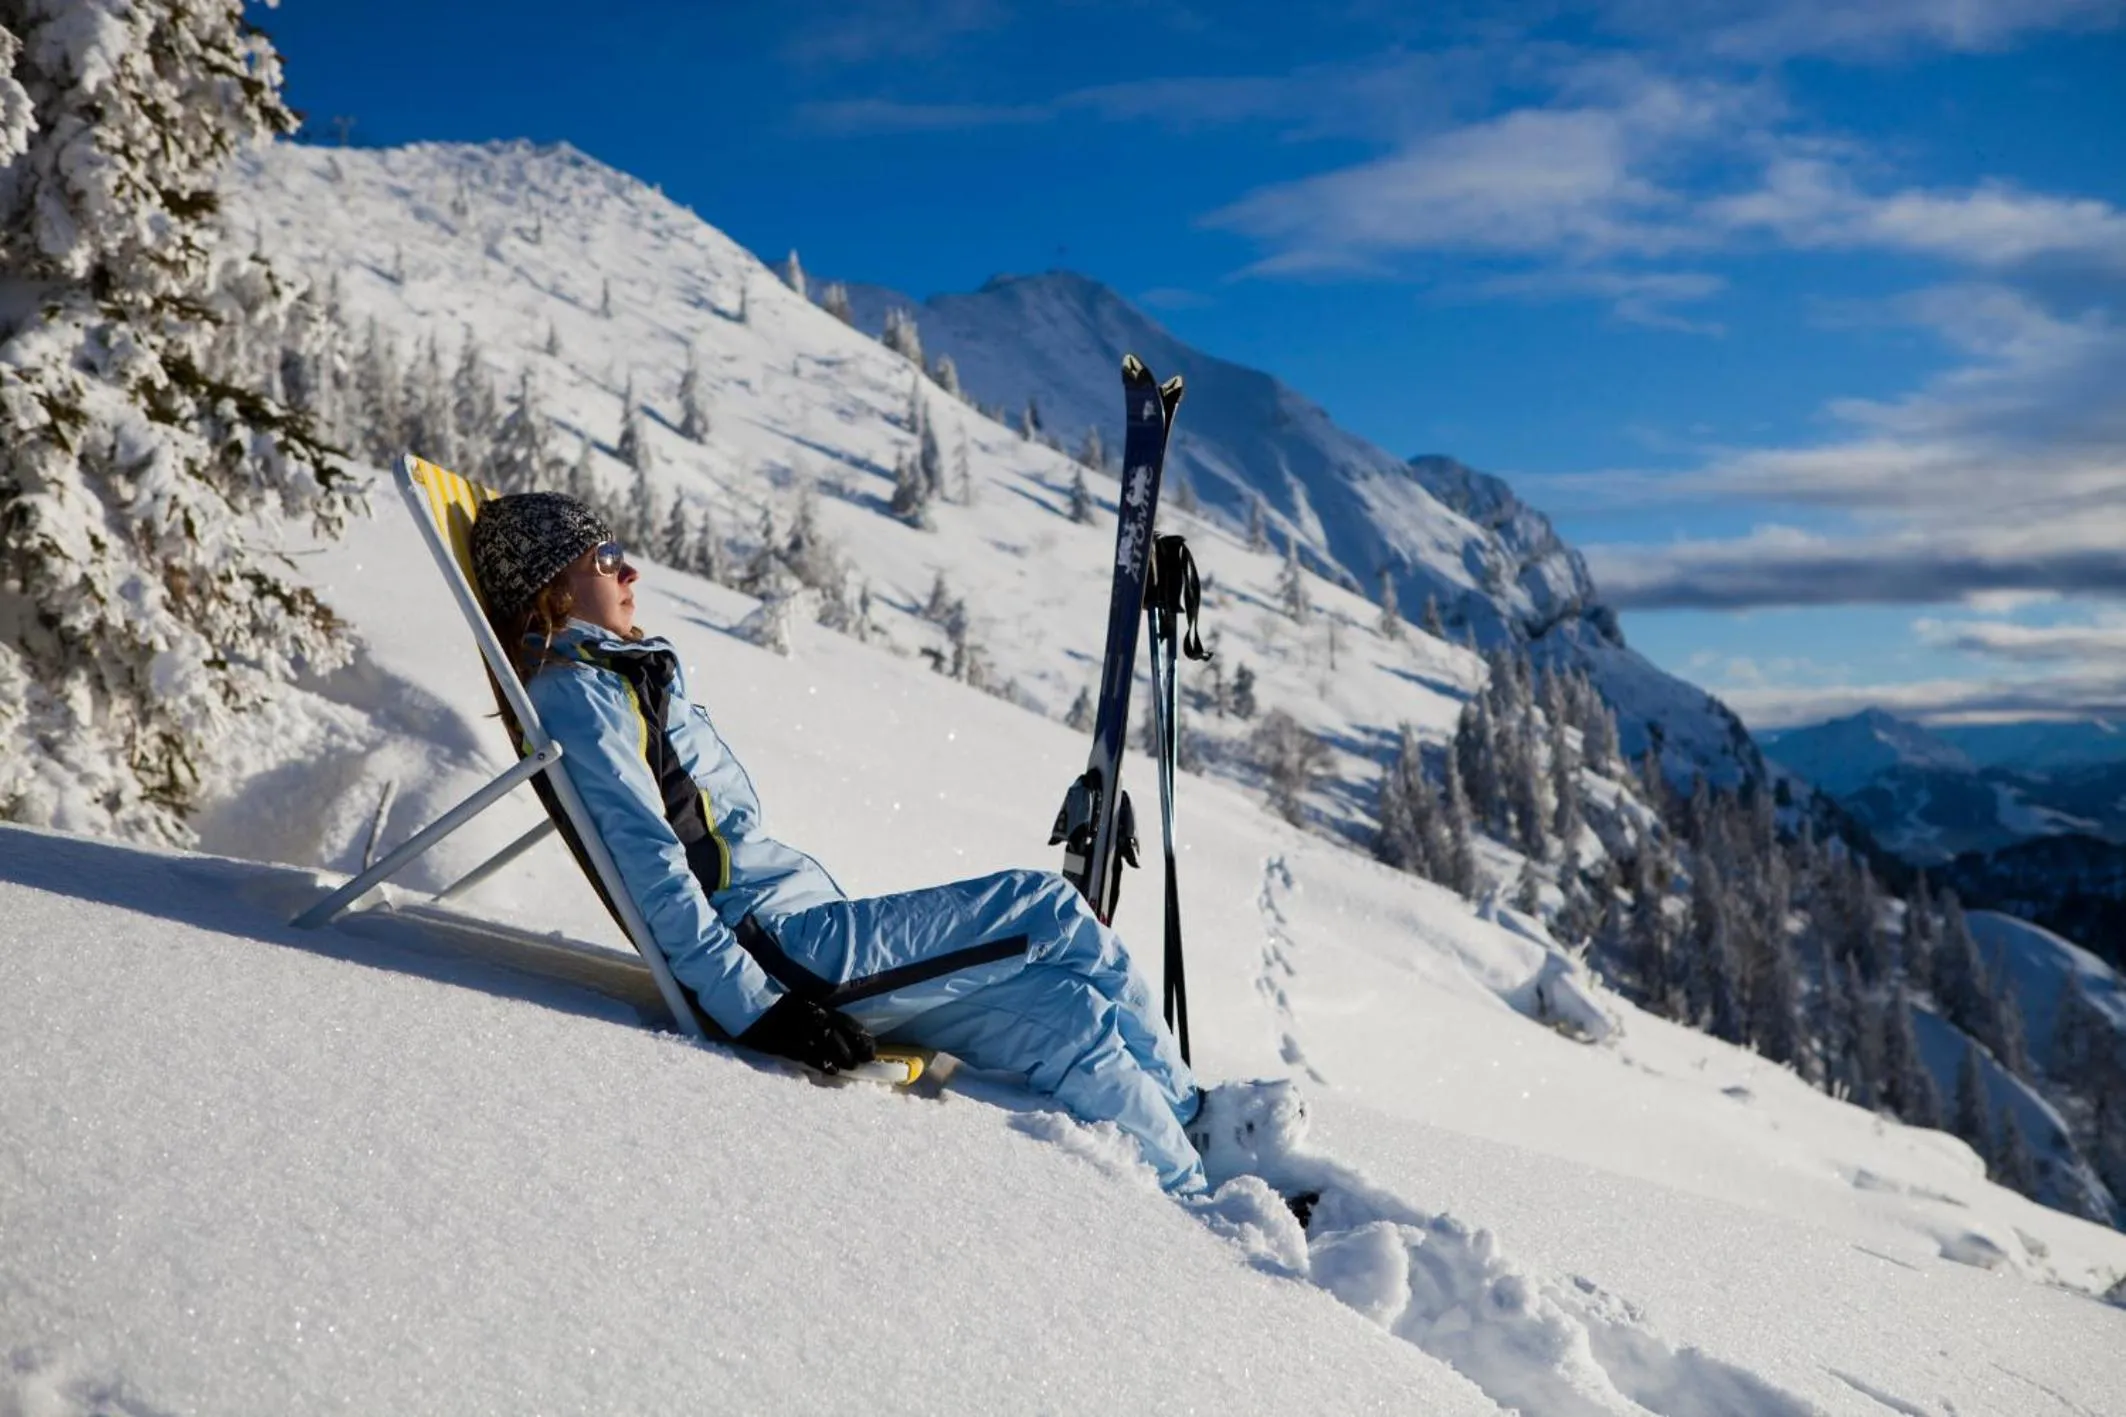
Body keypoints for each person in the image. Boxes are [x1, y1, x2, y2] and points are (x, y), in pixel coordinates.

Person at [468, 492, 1283, 1197]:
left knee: (1070, 1017)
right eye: (605, 557)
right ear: (552, 586)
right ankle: (1199, 1117)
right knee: (1046, 907)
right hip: (778, 955)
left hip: (801, 935)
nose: (630, 570)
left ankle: (1199, 1194)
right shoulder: (581, 695)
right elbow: (655, 871)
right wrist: (760, 1010)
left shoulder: (618, 676)